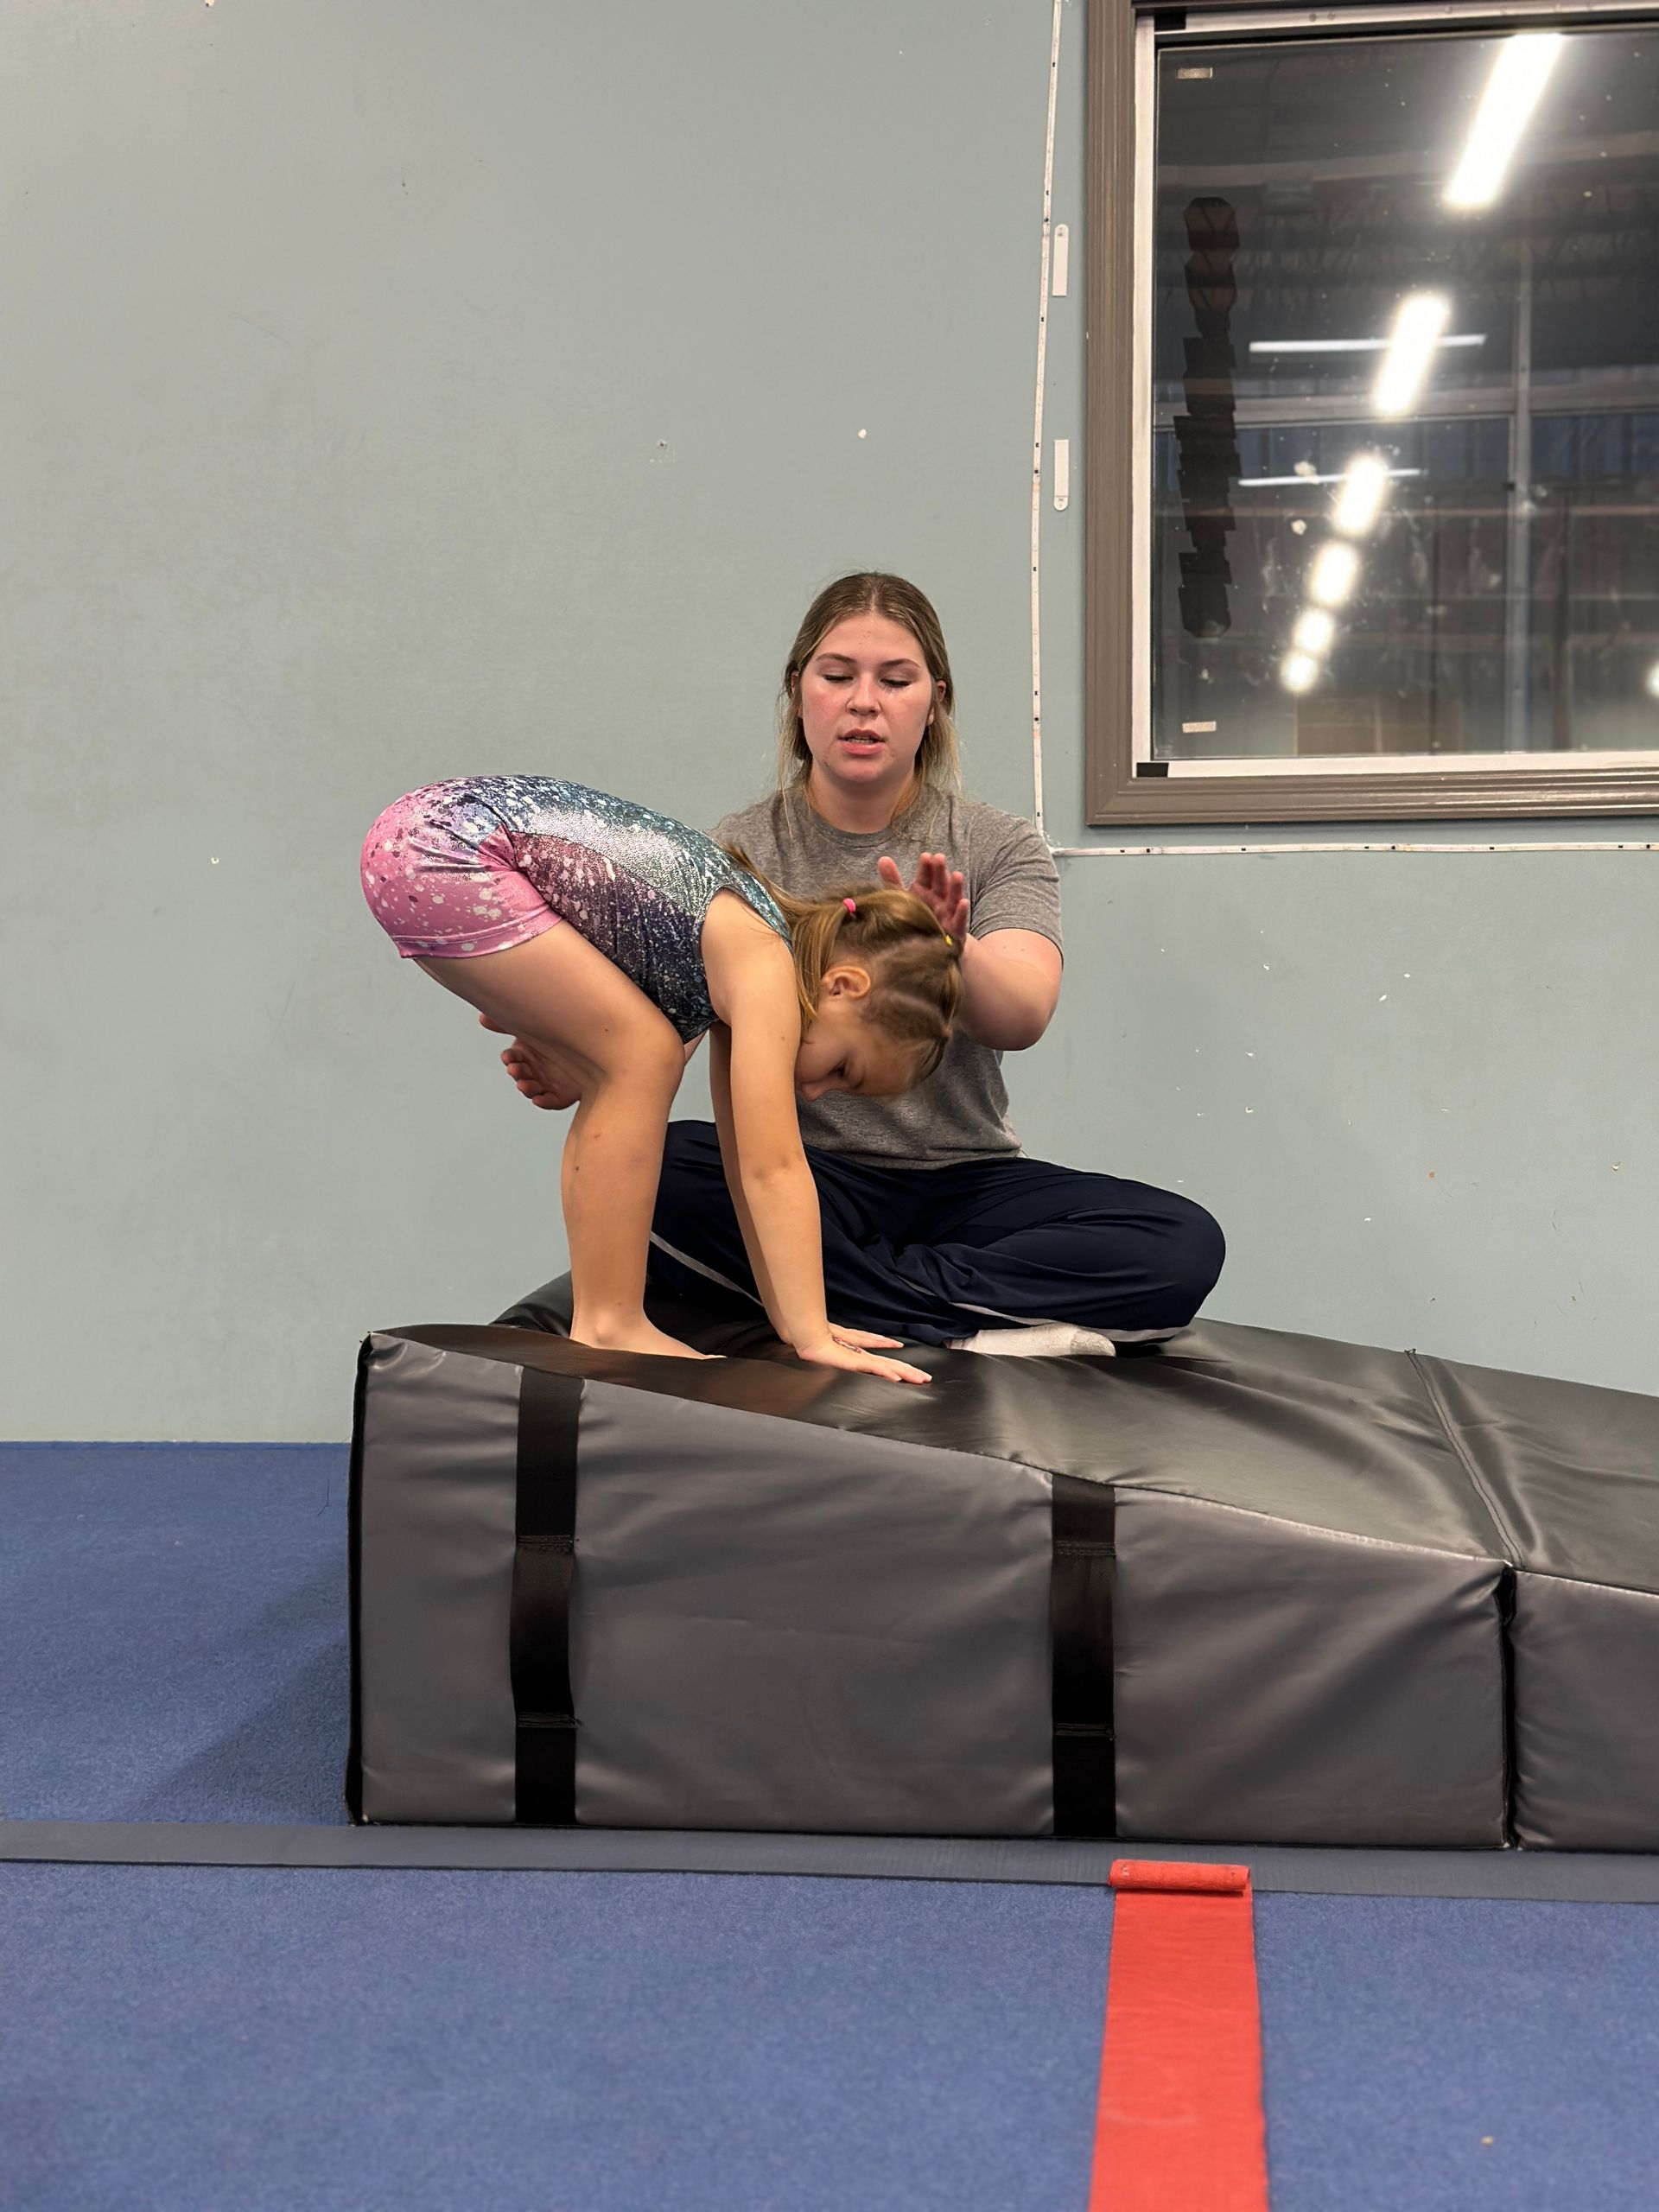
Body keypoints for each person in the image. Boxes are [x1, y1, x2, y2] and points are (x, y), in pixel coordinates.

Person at [494, 573, 1226, 1355]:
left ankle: (873, 1297)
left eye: (896, 680)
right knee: (670, 1173)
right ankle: (958, 1312)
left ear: (935, 700)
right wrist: (586, 1066)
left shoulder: (998, 844)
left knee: (1181, 1243)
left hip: (963, 1180)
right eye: (837, 676)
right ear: (798, 691)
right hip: (801, 1175)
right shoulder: (740, 849)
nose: (864, 702)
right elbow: (680, 1019)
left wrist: (951, 948)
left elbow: (1023, 1016)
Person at [360, 773, 961, 1382]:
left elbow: (740, 1160)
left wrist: (801, 1324)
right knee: (644, 1057)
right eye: (841, 1071)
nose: (813, 1093)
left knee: (635, 1057)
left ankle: (599, 1314)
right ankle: (609, 1321)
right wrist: (812, 1337)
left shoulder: (734, 961)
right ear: (843, 985)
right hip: (451, 846)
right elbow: (772, 1168)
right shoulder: (764, 966)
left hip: (426, 842)